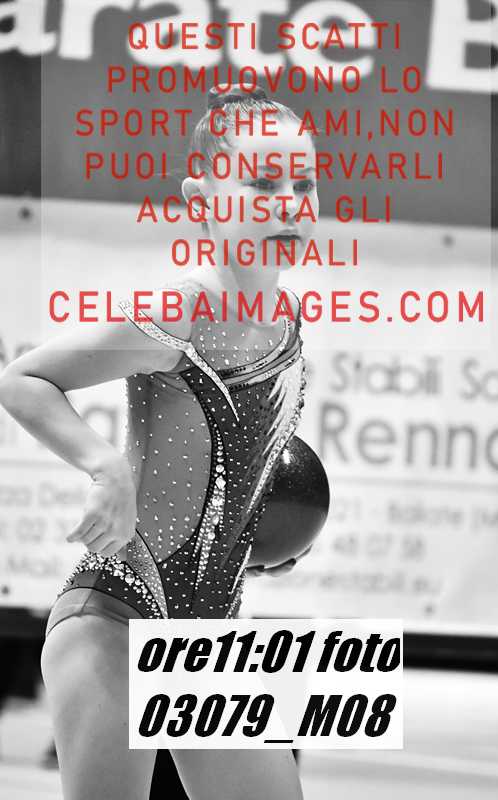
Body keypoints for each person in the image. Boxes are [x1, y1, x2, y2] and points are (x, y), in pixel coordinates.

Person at [0, 85, 318, 800]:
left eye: (303, 184)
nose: (290, 203)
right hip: (113, 619)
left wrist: (260, 538)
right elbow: (24, 380)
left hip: (207, 639)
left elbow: (229, 467)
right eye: (263, 184)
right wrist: (103, 467)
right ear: (202, 200)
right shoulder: (184, 308)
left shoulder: (286, 315)